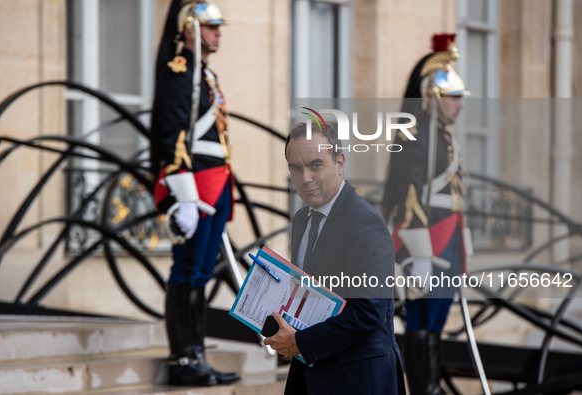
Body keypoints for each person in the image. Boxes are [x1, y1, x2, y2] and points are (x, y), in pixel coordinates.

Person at [263, 122, 405, 395]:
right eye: (296, 167)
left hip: (358, 380)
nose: (305, 178)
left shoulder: (365, 222)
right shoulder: (302, 219)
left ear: (339, 163)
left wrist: (301, 343)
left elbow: (369, 313)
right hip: (311, 375)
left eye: (316, 165)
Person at [150, 0, 239, 387]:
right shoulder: (180, 68)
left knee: (201, 272)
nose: (218, 32)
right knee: (187, 269)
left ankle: (197, 354)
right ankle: (182, 358)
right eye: (211, 26)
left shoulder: (203, 72)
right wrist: (182, 193)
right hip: (195, 184)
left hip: (216, 180)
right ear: (189, 28)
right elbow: (171, 132)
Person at [382, 34, 473, 395]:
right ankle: (424, 388)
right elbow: (409, 194)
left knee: (437, 320)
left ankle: (432, 384)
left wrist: (463, 238)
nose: (460, 106)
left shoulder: (443, 136)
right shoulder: (415, 133)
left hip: (447, 233)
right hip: (425, 238)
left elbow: (453, 191)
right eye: (454, 97)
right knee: (421, 319)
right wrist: (419, 253)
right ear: (434, 95)